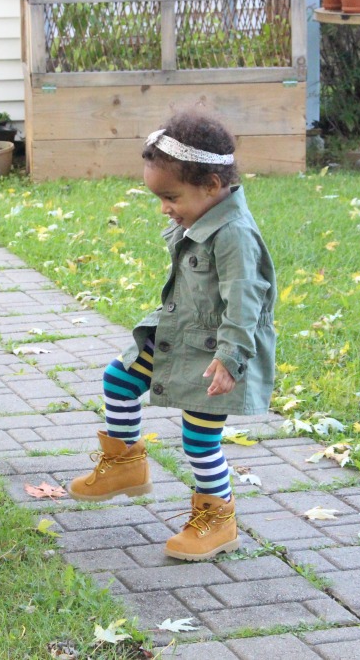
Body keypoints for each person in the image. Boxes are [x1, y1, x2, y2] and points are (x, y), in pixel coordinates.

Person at [68, 111, 276, 562]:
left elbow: (246, 302)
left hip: (214, 355)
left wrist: (231, 359)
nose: (164, 207)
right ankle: (126, 463)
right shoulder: (198, 219)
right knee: (119, 380)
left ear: (212, 187)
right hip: (174, 335)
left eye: (170, 196)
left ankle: (218, 519)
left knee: (200, 443)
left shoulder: (235, 235)